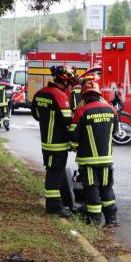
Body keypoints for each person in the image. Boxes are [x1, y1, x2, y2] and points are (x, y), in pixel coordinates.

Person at [71, 80, 119, 227]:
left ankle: (94, 220)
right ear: (99, 94)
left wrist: (74, 147)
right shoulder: (111, 110)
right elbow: (115, 131)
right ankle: (111, 220)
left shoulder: (81, 111)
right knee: (106, 188)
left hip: (88, 160)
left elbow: (74, 137)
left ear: (84, 96)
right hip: (106, 159)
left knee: (92, 188)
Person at [32, 65, 77, 217]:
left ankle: (57, 203)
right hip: (58, 144)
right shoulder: (60, 96)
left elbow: (36, 115)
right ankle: (54, 207)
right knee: (54, 174)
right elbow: (68, 121)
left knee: (53, 171)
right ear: (64, 81)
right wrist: (75, 140)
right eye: (69, 82)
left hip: (46, 142)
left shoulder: (40, 93)